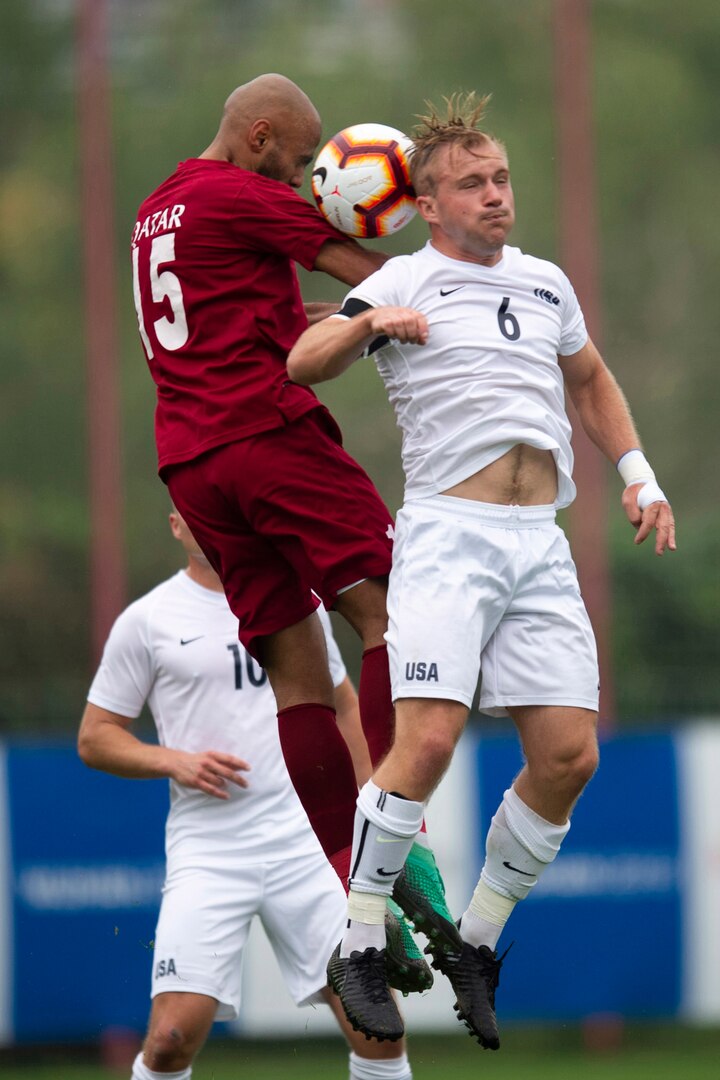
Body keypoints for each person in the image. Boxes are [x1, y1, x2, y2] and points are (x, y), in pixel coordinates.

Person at [287, 91, 677, 1048]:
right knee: (422, 749)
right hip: (450, 541)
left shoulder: (546, 282)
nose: (497, 196)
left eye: (501, 178)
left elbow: (588, 379)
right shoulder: (402, 279)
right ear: (425, 201)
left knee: (569, 756)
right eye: (472, 184)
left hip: (540, 542)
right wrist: (372, 321)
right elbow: (303, 360)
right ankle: (359, 945)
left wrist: (638, 475)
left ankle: (477, 943)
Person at [130, 72, 452, 941]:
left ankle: (356, 891)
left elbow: (231, 311)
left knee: (299, 675)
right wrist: (459, 287)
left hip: (192, 465)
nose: (306, 179)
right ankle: (402, 837)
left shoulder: (159, 209)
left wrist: (321, 317)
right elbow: (377, 273)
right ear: (261, 136)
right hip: (268, 438)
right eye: (303, 158)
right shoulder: (243, 194)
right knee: (393, 613)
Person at [77, 508, 423, 1080]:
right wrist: (175, 761)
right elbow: (95, 738)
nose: (203, 522)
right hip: (209, 850)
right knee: (168, 1039)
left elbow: (341, 707)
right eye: (191, 515)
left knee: (379, 1026)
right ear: (174, 526)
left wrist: (372, 810)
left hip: (305, 843)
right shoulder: (148, 620)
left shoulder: (296, 603)